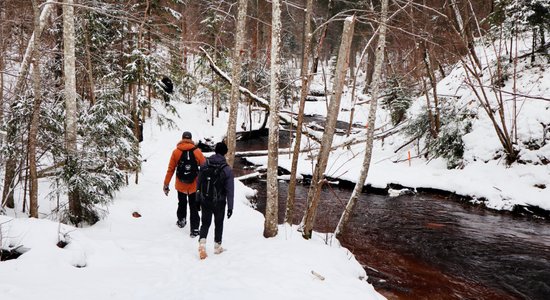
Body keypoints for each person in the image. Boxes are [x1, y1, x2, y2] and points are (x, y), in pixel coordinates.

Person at [163, 131, 206, 237]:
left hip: (180, 184)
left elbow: (171, 169)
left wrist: (166, 184)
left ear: (182, 138)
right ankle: (195, 229)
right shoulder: (197, 151)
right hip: (194, 185)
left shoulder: (176, 152)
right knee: (194, 206)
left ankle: (181, 221)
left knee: (181, 203)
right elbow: (205, 167)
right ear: (191, 139)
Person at [197, 142, 234, 259]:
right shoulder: (226, 169)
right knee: (219, 223)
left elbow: (198, 183)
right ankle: (217, 247)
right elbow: (230, 190)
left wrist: (197, 199)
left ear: (215, 151)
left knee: (205, 223)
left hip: (205, 199)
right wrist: (230, 207)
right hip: (220, 201)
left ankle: (202, 244)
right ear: (225, 153)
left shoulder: (205, 164)